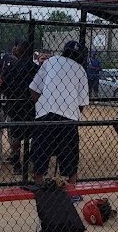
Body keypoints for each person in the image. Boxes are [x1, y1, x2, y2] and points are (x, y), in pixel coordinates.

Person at [29, 40, 89, 187]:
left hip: (46, 112)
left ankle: (39, 183)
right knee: (70, 151)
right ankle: (72, 184)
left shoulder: (51, 61)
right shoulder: (80, 69)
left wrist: (41, 106)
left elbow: (34, 89)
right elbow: (82, 103)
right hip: (68, 115)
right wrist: (72, 113)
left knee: (41, 148)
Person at [1, 40, 39, 175]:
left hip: (15, 105)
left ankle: (17, 162)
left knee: (15, 135)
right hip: (32, 105)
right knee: (33, 135)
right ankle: (30, 161)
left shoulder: (12, 67)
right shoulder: (35, 68)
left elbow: (4, 86)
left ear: (20, 51)